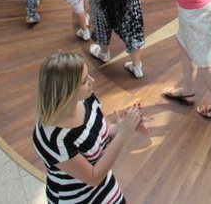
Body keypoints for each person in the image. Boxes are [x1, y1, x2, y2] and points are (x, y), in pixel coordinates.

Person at [33, 51, 149, 203]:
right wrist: (122, 136)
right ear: (65, 91)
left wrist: (126, 125)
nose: (92, 81)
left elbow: (105, 132)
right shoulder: (50, 137)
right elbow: (92, 177)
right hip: (76, 198)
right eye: (84, 81)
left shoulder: (88, 100)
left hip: (105, 186)